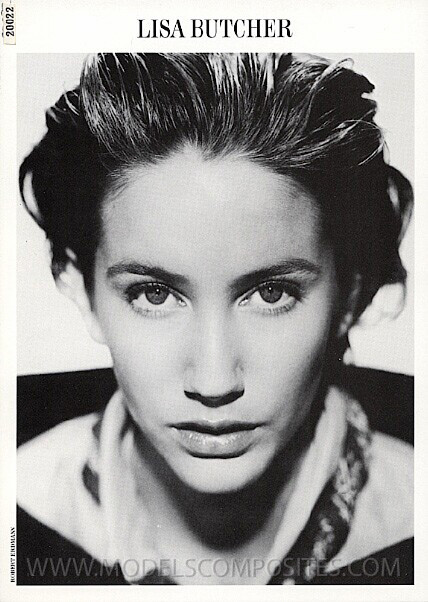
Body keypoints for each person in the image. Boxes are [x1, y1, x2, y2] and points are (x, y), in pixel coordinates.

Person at [16, 53, 414, 585]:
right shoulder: (21, 510)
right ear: (82, 292)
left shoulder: (413, 519)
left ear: (350, 296)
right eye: (154, 295)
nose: (214, 382)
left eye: (271, 293)